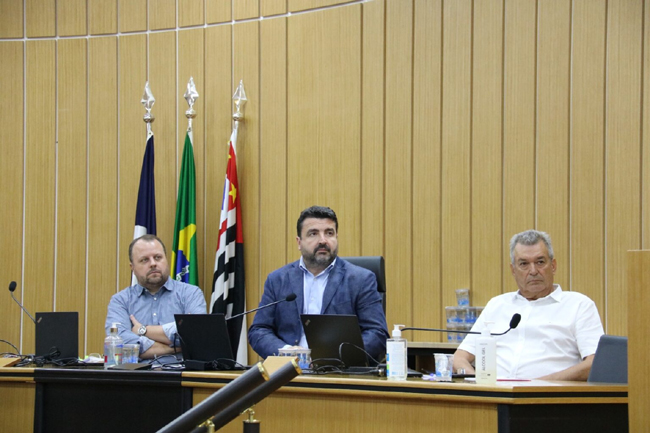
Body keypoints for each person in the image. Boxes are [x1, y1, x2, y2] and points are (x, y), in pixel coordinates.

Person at [453, 229, 604, 380]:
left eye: (540, 262)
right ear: (513, 270)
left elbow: (594, 363)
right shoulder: (497, 305)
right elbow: (459, 358)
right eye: (524, 264)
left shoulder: (579, 305)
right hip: (494, 392)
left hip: (549, 392)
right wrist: (478, 382)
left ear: (553, 266)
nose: (533, 271)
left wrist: (539, 385)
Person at [248, 205, 389, 362]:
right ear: (299, 242)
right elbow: (259, 330)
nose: (323, 240)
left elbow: (377, 333)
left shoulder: (360, 279)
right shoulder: (278, 280)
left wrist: (333, 356)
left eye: (329, 233)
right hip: (289, 369)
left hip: (340, 370)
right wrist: (286, 352)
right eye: (313, 234)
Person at [105, 234, 206, 359]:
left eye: (158, 257)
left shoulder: (190, 294)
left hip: (182, 370)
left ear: (166, 259)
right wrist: (174, 348)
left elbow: (196, 335)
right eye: (144, 260)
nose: (153, 264)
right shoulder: (120, 301)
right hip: (138, 371)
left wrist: (143, 330)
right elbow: (119, 345)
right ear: (132, 267)